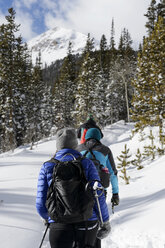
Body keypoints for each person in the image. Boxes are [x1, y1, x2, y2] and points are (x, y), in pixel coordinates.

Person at [36, 127, 111, 248]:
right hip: (87, 223)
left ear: (58, 146)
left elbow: (40, 202)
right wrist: (105, 221)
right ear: (75, 145)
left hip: (59, 224)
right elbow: (97, 194)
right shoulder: (86, 163)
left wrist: (47, 217)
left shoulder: (48, 166)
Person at [77, 128, 119, 248]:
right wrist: (115, 194)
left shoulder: (78, 150)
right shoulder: (105, 150)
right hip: (99, 192)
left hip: (78, 192)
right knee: (96, 222)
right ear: (99, 137)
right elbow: (113, 174)